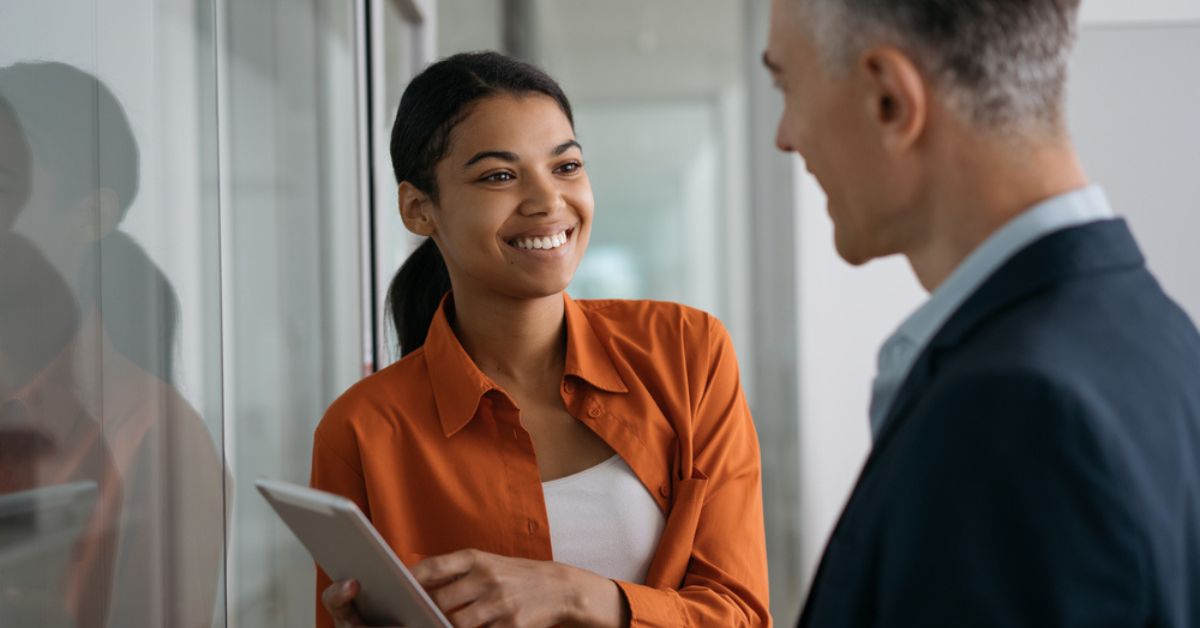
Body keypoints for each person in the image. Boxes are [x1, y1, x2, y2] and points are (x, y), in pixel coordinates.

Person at [763, 0, 1200, 626]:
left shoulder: (1018, 409)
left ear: (889, 100)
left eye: (786, 86)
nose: (785, 136)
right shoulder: (1157, 333)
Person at [311, 51, 771, 628]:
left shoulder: (686, 351)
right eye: (499, 176)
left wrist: (570, 593)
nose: (548, 200)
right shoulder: (360, 431)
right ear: (418, 209)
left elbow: (742, 615)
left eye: (566, 166)